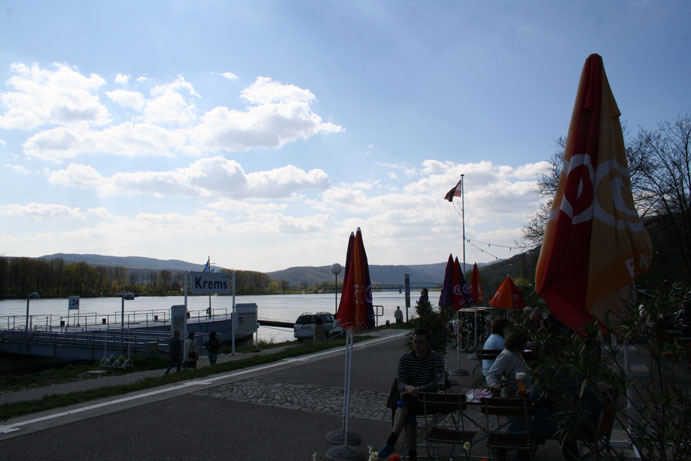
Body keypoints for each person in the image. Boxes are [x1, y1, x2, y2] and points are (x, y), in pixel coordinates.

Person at [378, 328, 445, 461]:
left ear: (428, 343)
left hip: (427, 399)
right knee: (407, 406)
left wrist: (419, 390)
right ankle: (412, 455)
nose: (417, 345)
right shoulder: (405, 359)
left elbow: (439, 381)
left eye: (421, 342)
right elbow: (401, 382)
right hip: (409, 397)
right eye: (415, 342)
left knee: (405, 403)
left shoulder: (436, 358)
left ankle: (392, 441)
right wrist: (408, 388)